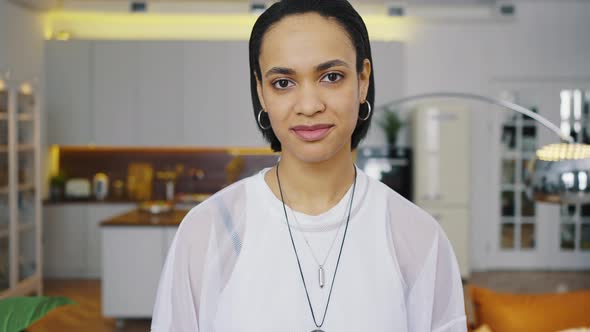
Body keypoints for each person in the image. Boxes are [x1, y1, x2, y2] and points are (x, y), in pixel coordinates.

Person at [151, 0, 467, 331]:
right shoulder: (208, 231)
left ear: (362, 79)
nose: (309, 105)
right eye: (283, 83)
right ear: (261, 91)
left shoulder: (418, 236)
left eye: (331, 76)